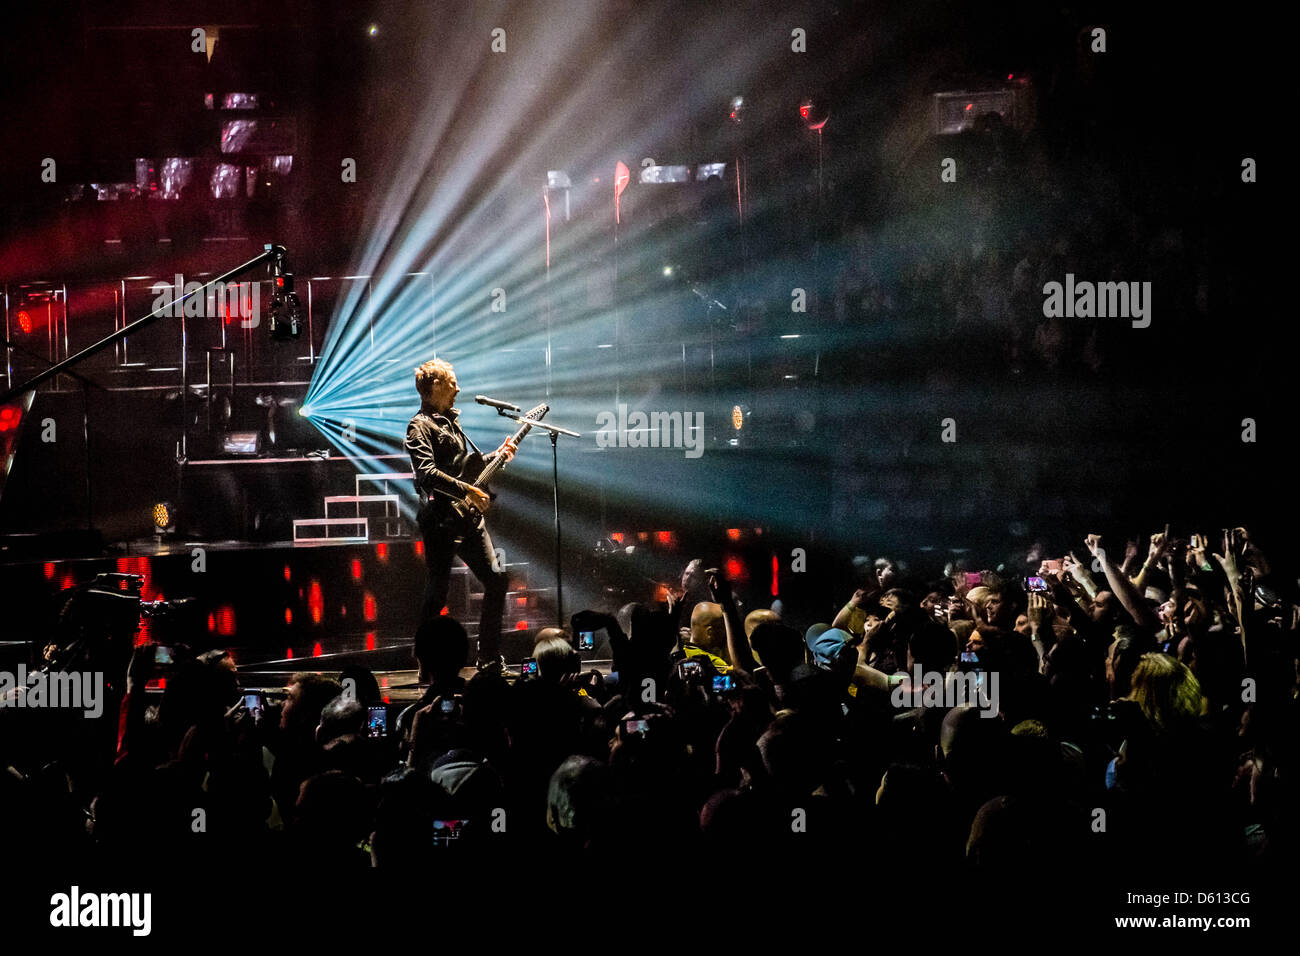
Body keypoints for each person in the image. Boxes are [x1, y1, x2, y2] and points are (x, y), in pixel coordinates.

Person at [405, 358, 517, 669]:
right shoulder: (419, 427)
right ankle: (426, 662)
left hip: (469, 520)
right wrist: (466, 491)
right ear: (436, 386)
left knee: (496, 581)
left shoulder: (453, 423)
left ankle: (489, 656)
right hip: (441, 519)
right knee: (437, 594)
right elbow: (426, 473)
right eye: (453, 383)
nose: (458, 389)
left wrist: (498, 455)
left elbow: (467, 469)